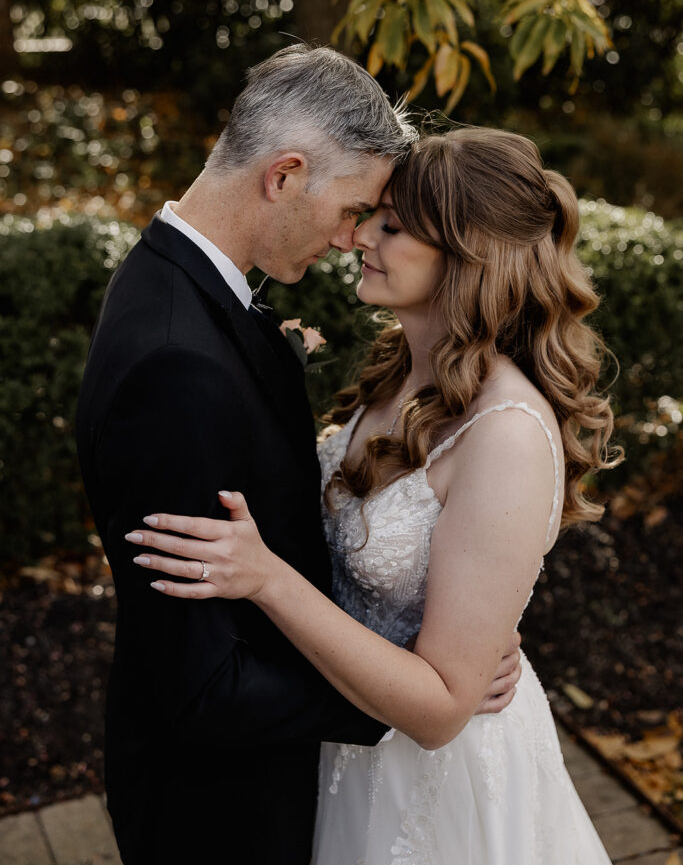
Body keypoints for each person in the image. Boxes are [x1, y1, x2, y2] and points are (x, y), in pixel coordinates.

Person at [127, 127, 621, 863]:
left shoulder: (505, 434)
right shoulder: (398, 374)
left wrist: (266, 580)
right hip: (340, 744)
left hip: (434, 787)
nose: (359, 237)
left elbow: (440, 711)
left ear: (467, 254)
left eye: (391, 226)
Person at [76, 49, 520, 865]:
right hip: (219, 815)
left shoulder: (179, 291)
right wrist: (419, 697)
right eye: (354, 209)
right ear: (283, 175)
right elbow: (203, 684)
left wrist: (444, 633)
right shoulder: (177, 362)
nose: (353, 238)